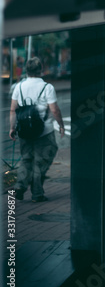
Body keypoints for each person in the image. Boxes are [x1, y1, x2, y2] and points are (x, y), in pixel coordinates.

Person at [9, 57, 65, 202]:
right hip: (44, 131)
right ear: (41, 70)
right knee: (42, 160)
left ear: (26, 70)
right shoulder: (47, 87)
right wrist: (61, 125)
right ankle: (37, 194)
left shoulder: (18, 87)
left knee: (26, 159)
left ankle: (20, 185)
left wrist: (12, 128)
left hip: (24, 130)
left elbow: (13, 110)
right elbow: (54, 109)